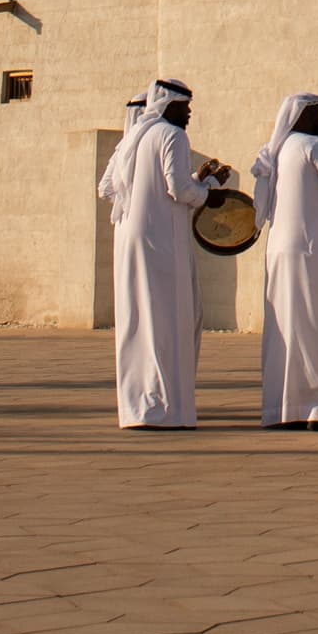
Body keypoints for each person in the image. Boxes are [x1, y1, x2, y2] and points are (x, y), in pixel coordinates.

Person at [105, 77, 206, 430]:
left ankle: (139, 407)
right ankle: (166, 409)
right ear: (168, 105)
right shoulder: (172, 135)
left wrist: (140, 200)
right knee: (168, 321)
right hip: (161, 240)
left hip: (134, 238)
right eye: (185, 106)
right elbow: (178, 188)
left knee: (139, 322)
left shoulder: (135, 136)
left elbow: (107, 187)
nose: (189, 113)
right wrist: (206, 190)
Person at [255, 91, 318, 430]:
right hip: (315, 253)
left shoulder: (278, 150)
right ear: (301, 117)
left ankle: (287, 408)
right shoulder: (315, 147)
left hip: (282, 253)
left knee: (289, 332)